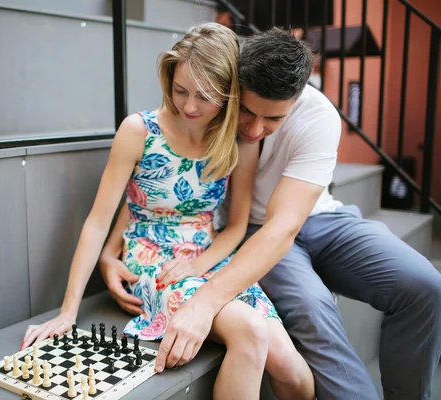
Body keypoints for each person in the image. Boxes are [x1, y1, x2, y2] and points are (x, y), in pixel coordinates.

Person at [100, 27, 441, 400]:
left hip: (318, 219)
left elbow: (285, 226)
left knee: (426, 285)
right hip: (253, 232)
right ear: (234, 84)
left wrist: (207, 300)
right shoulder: (209, 102)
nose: (254, 128)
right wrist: (110, 248)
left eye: (273, 120)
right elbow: (153, 183)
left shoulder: (319, 116)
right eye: (246, 111)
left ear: (296, 101)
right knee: (312, 308)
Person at [22, 23, 315, 400]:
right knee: (251, 332)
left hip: (209, 259)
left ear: (228, 95)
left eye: (205, 96)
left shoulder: (236, 141)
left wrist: (199, 265)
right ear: (168, 80)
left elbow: (236, 226)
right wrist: (68, 311)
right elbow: (99, 220)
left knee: (294, 374)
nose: (190, 105)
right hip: (153, 262)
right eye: (181, 91)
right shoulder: (139, 131)